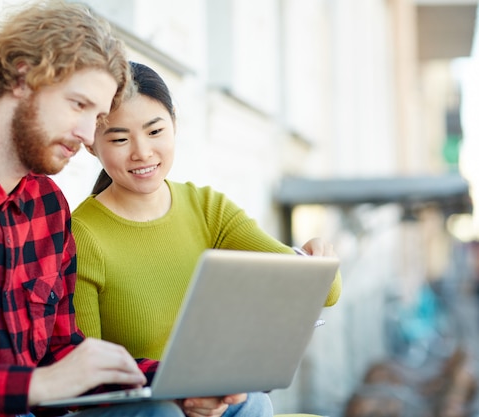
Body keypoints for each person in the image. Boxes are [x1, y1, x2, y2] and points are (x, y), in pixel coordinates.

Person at [0, 3, 188, 417]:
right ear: (22, 77)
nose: (89, 136)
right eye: (79, 105)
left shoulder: (49, 206)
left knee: (211, 405)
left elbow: (61, 352)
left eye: (98, 117)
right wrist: (36, 385)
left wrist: (177, 381)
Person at [71, 61, 343, 416]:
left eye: (155, 132)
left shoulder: (207, 208)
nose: (142, 152)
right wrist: (182, 399)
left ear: (174, 127)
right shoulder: (81, 234)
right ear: (92, 144)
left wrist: (319, 258)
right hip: (133, 404)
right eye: (120, 139)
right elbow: (87, 377)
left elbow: (327, 291)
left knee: (255, 403)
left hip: (209, 392)